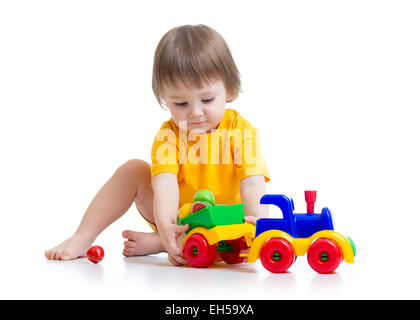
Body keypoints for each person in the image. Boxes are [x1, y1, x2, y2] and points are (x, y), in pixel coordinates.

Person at [45, 24, 270, 266]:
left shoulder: (241, 131)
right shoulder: (168, 136)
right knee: (132, 170)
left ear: (229, 90)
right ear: (165, 98)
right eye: (180, 103)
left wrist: (257, 222)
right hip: (178, 218)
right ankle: (83, 237)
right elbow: (165, 185)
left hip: (226, 221)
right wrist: (166, 225)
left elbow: (252, 182)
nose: (195, 113)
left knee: (241, 230)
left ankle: (160, 243)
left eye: (206, 99)